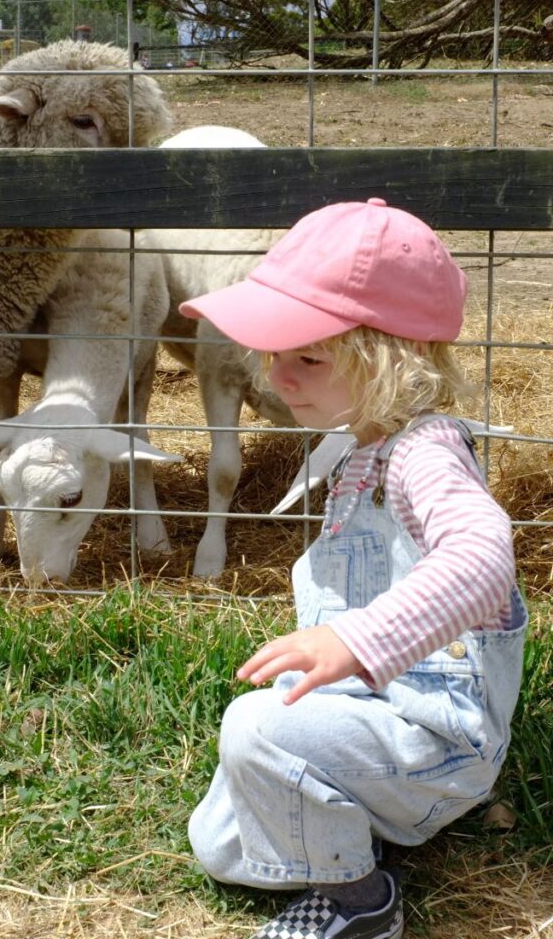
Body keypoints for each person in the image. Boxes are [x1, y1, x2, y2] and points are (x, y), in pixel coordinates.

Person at [179, 198, 527, 939]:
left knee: (256, 729)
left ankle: (361, 903)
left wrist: (358, 642)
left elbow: (484, 559)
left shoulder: (424, 454)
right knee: (217, 842)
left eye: (308, 358)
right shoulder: (361, 444)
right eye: (278, 354)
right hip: (377, 712)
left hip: (434, 734)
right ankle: (356, 828)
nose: (278, 378)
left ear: (392, 361)